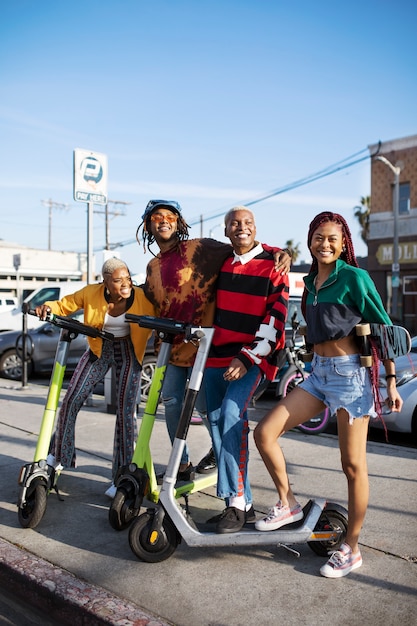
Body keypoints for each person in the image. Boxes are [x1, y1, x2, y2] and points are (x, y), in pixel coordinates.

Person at [253, 211, 402, 577]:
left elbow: (383, 328)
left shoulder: (354, 277)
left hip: (350, 377)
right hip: (317, 374)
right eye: (320, 237)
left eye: (333, 238)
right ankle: (287, 502)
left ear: (344, 242)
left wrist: (391, 381)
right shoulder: (310, 283)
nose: (326, 244)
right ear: (310, 239)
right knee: (264, 433)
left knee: (353, 467)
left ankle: (351, 547)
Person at [137, 200, 291, 481]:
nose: (163, 221)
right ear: (148, 225)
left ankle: (222, 459)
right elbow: (147, 299)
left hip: (204, 345)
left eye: (170, 216)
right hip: (171, 347)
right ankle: (181, 465)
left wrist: (280, 251)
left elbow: (243, 245)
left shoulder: (200, 248)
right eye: (157, 217)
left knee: (209, 410)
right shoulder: (152, 267)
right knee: (171, 402)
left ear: (178, 222)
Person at [35, 258, 155, 498]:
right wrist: (48, 307)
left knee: (126, 414)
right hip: (99, 349)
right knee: (71, 400)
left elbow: (163, 312)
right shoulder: (91, 293)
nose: (125, 284)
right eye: (118, 280)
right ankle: (59, 456)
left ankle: (121, 476)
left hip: (129, 351)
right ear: (106, 282)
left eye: (128, 278)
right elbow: (64, 305)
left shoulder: (141, 297)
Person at [204, 206, 289, 533]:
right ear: (226, 231)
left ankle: (235, 503)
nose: (242, 227)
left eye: (248, 223)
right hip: (215, 356)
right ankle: (242, 504)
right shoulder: (222, 264)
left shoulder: (274, 264)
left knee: (230, 417)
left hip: (253, 358)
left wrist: (248, 357)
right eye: (235, 224)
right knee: (214, 423)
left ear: (256, 228)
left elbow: (276, 318)